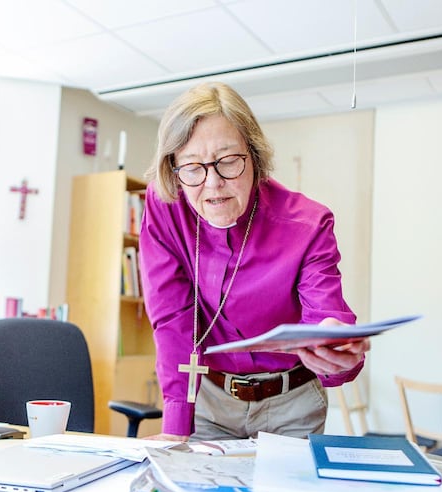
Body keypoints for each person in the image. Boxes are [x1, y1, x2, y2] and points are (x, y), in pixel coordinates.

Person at [138, 81, 368, 442]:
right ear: (174, 167)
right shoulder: (165, 207)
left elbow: (325, 315)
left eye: (229, 162)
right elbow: (171, 317)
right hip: (209, 400)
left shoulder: (307, 224)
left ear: (255, 157)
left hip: (291, 404)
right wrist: (175, 427)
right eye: (193, 167)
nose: (212, 183)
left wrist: (335, 349)